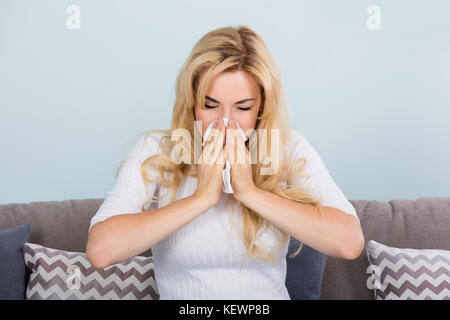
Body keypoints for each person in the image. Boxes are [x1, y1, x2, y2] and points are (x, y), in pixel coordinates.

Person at [86, 25, 364, 300]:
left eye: (243, 108)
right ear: (191, 103)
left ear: (261, 108)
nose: (224, 122)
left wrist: (249, 192)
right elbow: (101, 250)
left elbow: (349, 242)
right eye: (209, 105)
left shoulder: (287, 148)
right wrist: (201, 197)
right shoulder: (159, 150)